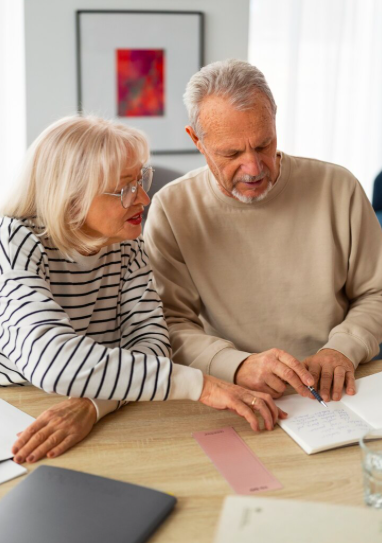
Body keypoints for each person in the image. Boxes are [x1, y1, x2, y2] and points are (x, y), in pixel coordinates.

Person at [0, 115, 286, 463]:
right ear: (72, 198)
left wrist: (92, 405)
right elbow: (54, 363)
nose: (144, 198)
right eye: (124, 188)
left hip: (96, 402)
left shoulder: (124, 242)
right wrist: (202, 386)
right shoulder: (14, 241)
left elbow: (152, 347)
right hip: (17, 409)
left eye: (141, 180)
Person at [144, 59, 382, 405]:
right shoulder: (172, 207)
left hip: (336, 383)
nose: (254, 168)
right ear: (196, 140)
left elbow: (379, 292)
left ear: (274, 122)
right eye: (231, 153)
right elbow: (169, 322)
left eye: (263, 144)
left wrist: (342, 348)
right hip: (229, 390)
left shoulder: (339, 187)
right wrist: (238, 365)